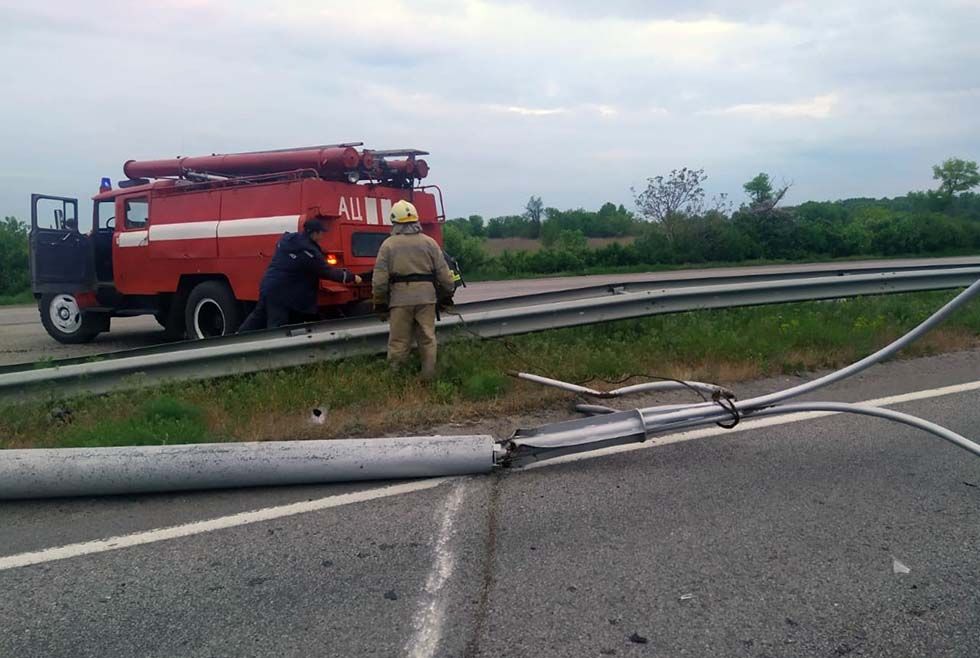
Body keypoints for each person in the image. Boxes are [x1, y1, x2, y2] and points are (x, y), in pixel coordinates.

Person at [372, 200, 455, 379]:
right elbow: (444, 274)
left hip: (400, 300)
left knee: (399, 342)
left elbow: (379, 280)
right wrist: (447, 295)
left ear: (394, 221)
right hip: (427, 298)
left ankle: (396, 378)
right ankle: (428, 376)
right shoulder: (430, 243)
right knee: (427, 339)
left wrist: (379, 302)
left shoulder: (388, 245)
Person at [239, 216, 361, 332]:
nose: (323, 236)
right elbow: (326, 271)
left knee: (257, 318)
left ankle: (236, 341)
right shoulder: (308, 252)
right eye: (321, 233)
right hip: (282, 293)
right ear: (314, 233)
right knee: (277, 327)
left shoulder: (290, 239)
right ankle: (276, 351)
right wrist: (351, 277)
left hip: (269, 285)